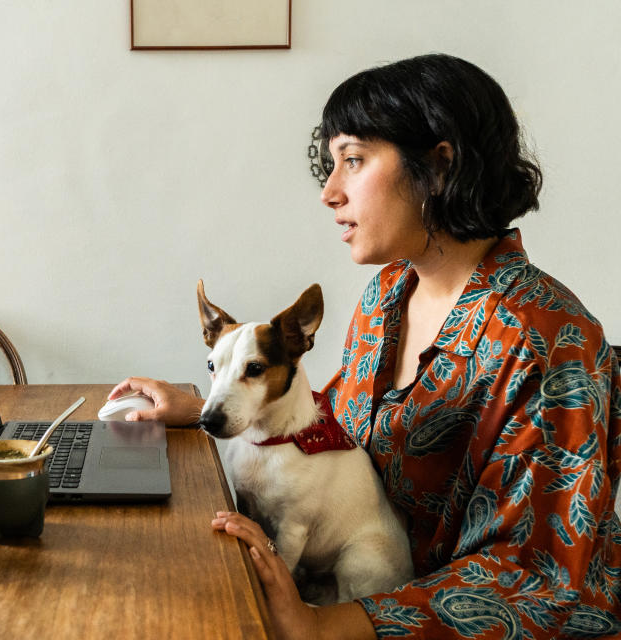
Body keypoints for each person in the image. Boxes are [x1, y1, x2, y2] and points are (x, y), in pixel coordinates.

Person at [108, 53, 621, 638]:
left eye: (352, 160)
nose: (329, 192)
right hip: (356, 594)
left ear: (439, 166)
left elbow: (539, 580)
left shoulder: (546, 340)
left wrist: (323, 626)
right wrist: (212, 408)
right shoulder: (387, 294)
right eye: (329, 165)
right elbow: (330, 426)